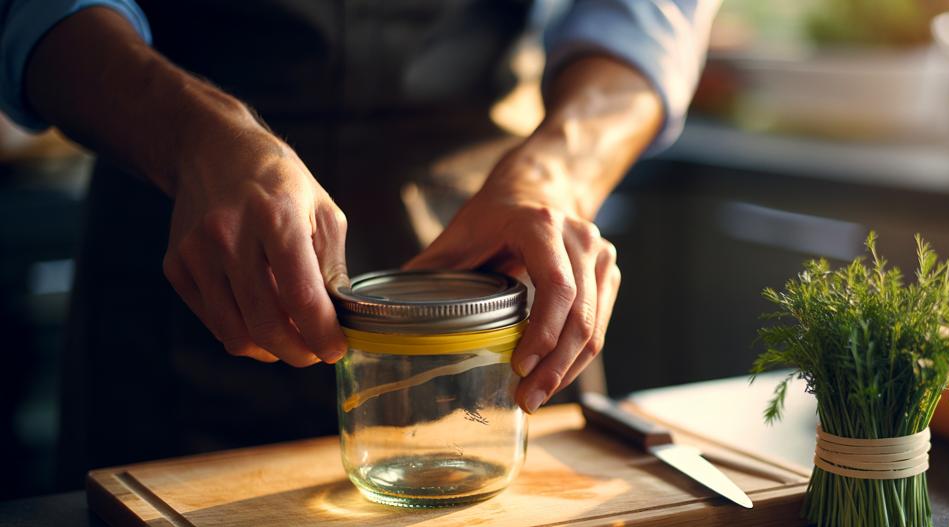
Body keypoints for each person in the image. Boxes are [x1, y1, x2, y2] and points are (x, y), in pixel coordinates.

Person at [0, 0, 717, 489]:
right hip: (177, 248)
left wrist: (554, 176)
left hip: (491, 244)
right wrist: (189, 135)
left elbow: (644, 13)